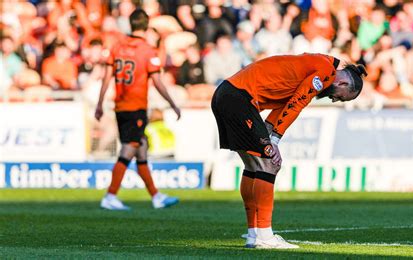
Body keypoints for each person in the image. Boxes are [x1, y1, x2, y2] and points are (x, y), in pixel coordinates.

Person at [211, 53, 366, 249]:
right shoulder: (325, 71)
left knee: (253, 164)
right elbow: (298, 103)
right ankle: (265, 237)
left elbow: (285, 104)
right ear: (343, 83)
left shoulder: (317, 64)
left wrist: (270, 134)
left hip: (226, 95)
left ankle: (253, 234)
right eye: (341, 98)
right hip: (239, 98)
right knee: (270, 164)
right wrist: (274, 140)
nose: (335, 100)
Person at [95, 9, 181, 210]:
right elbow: (158, 82)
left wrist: (99, 104)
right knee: (129, 148)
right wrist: (173, 103)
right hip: (136, 107)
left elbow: (106, 77)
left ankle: (156, 196)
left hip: (120, 106)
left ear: (131, 24)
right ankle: (110, 195)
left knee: (141, 150)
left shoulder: (116, 47)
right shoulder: (147, 50)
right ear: (146, 25)